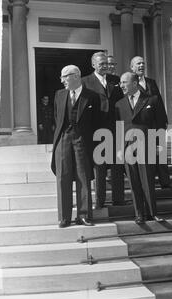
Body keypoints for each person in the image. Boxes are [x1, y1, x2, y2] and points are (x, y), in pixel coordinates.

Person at [51, 65, 101, 228]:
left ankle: (84, 215)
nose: (62, 80)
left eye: (64, 76)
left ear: (76, 76)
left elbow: (96, 122)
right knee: (63, 178)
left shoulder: (92, 96)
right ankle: (64, 217)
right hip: (63, 139)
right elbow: (57, 118)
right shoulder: (59, 95)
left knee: (83, 177)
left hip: (83, 140)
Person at [115, 72, 165, 224]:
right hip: (127, 147)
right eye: (121, 83)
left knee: (148, 180)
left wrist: (159, 144)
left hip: (147, 145)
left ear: (135, 83)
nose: (121, 85)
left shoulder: (152, 100)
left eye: (124, 82)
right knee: (134, 181)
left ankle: (152, 213)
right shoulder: (119, 104)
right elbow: (118, 127)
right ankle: (139, 214)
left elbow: (161, 123)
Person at [82, 52, 125, 209]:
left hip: (115, 130)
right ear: (93, 64)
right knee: (99, 168)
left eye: (107, 64)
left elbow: (121, 103)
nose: (105, 66)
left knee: (117, 166)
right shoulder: (85, 82)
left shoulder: (115, 80)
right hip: (97, 132)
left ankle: (119, 199)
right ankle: (99, 201)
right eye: (101, 64)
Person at [130, 56, 172, 191]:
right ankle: (147, 183)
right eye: (138, 64)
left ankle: (165, 182)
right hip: (142, 126)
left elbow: (159, 102)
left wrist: (164, 121)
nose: (141, 66)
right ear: (132, 67)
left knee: (161, 153)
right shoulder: (129, 83)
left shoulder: (151, 82)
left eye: (143, 63)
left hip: (156, 124)